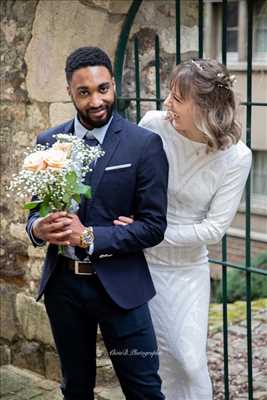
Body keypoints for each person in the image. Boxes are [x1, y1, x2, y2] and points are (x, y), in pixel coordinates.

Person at [26, 46, 169, 400]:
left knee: (145, 390)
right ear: (69, 92)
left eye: (103, 89)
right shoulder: (48, 142)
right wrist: (37, 229)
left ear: (114, 84)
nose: (96, 101)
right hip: (64, 289)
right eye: (84, 92)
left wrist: (89, 236)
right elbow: (33, 212)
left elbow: (153, 226)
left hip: (122, 290)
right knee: (75, 388)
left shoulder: (144, 144)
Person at [114, 59, 252, 400]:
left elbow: (214, 229)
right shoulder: (153, 126)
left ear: (204, 107)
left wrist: (153, 231)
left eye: (177, 98)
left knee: (189, 361)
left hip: (188, 269)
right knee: (149, 358)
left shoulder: (237, 157)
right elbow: (129, 181)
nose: (167, 104)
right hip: (141, 265)